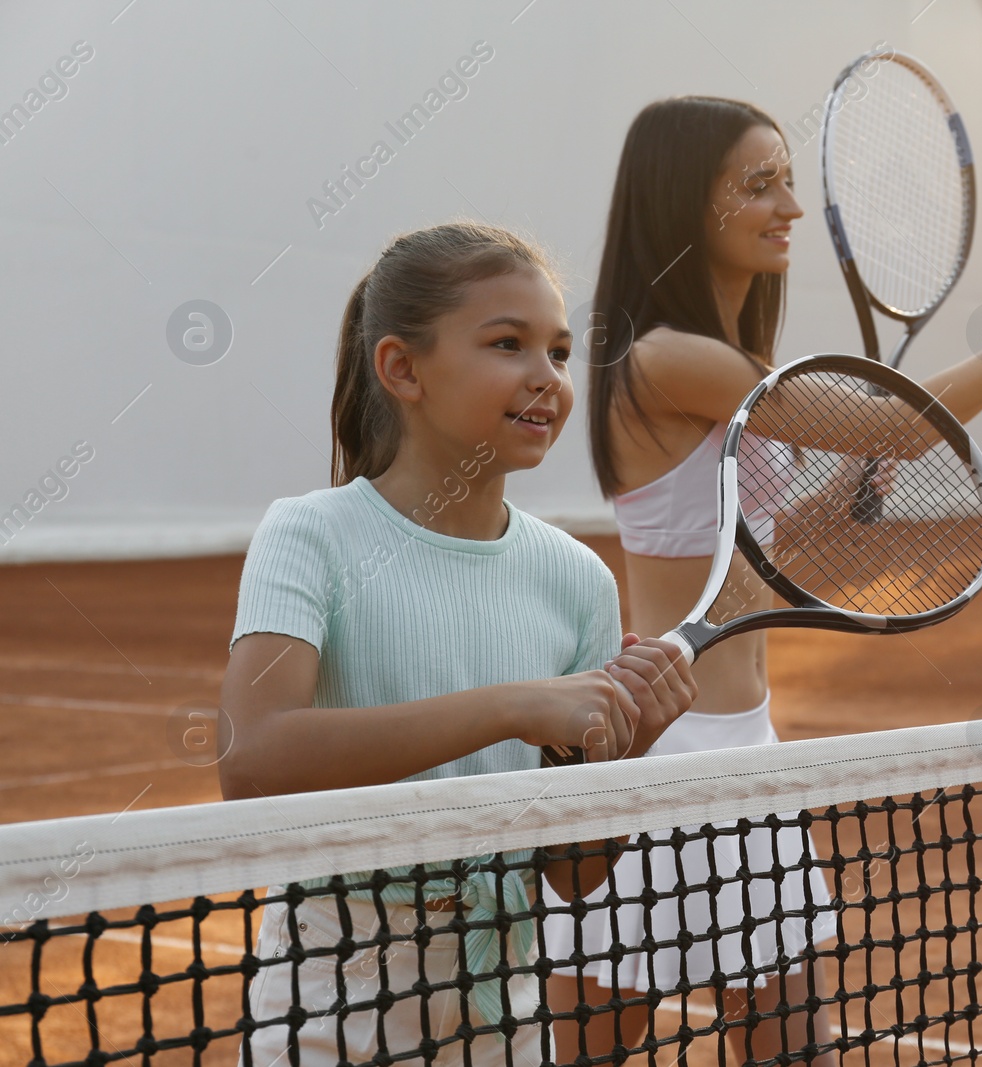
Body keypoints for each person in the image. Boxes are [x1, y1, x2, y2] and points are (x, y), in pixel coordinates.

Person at [545, 96, 982, 1064]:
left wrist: (841, 479)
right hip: (662, 762)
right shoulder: (669, 359)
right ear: (684, 205)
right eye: (759, 184)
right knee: (589, 1052)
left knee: (791, 1048)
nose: (791, 204)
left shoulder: (727, 367)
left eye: (789, 178)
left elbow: (746, 544)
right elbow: (906, 425)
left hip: (745, 751)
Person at [219, 221, 698, 1065]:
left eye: (557, 351)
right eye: (508, 344)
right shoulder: (309, 535)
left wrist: (625, 751)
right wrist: (513, 706)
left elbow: (570, 874)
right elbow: (253, 760)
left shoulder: (577, 576)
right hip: (332, 1005)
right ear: (403, 368)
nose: (546, 378)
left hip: (501, 1023)